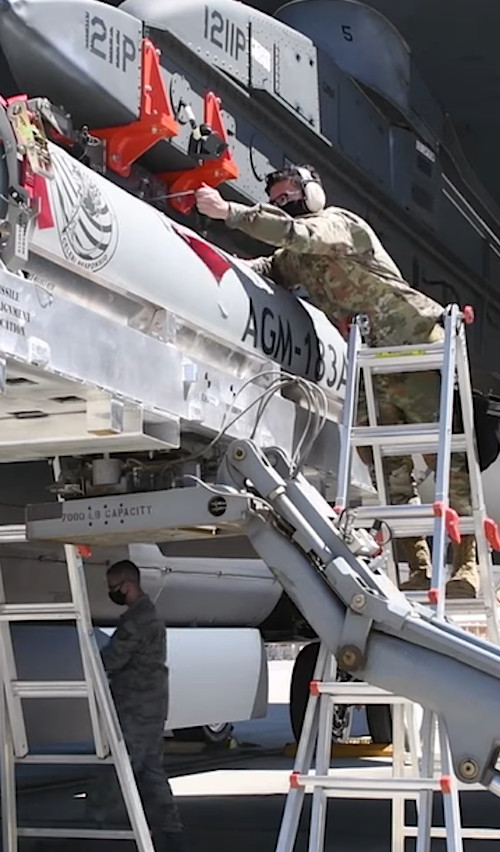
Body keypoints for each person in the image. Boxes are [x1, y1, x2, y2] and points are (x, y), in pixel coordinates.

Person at [194, 167, 478, 599]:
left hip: (412, 345)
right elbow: (274, 266)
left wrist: (229, 212)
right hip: (369, 363)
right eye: (276, 197)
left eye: (290, 192)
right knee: (386, 468)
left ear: (311, 193)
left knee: (446, 463)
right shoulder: (298, 257)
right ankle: (418, 566)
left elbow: (296, 235)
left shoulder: (340, 224)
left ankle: (466, 566)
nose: (284, 200)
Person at [84, 560, 187, 852]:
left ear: (128, 585)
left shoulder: (138, 620)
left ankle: (86, 839)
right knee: (151, 773)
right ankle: (171, 842)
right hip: (149, 706)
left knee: (117, 771)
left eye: (115, 588)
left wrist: (92, 656)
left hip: (137, 708)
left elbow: (113, 659)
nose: (112, 593)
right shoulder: (146, 615)